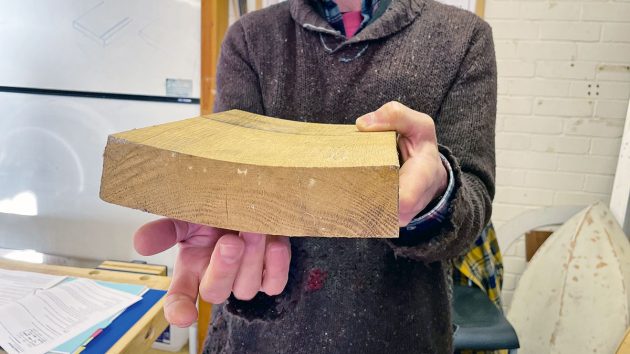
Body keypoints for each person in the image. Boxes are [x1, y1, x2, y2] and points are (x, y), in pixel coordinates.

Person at [134, 0, 497, 352]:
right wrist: (224, 217)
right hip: (259, 337)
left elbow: (475, 199)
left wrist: (434, 197)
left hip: (401, 330)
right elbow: (236, 174)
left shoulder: (462, 37)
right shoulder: (250, 37)